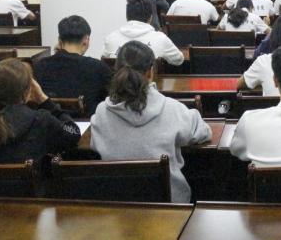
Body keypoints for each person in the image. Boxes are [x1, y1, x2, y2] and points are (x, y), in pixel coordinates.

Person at [90, 41, 211, 203]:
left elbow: (95, 144)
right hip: (170, 207)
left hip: (118, 206)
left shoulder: (101, 112)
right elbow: (204, 132)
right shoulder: (172, 108)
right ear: (150, 72)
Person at [0, 58, 80, 164]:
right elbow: (74, 133)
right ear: (28, 91)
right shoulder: (41, 121)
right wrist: (44, 100)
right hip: (31, 175)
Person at [33, 15, 113, 115]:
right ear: (86, 41)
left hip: (49, 122)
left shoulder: (40, 66)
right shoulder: (99, 69)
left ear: (59, 41)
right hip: (87, 123)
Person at [103, 0, 184, 66]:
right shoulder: (161, 39)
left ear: (127, 17)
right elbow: (178, 60)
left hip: (119, 80)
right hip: (149, 80)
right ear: (150, 18)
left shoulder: (111, 38)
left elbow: (104, 59)